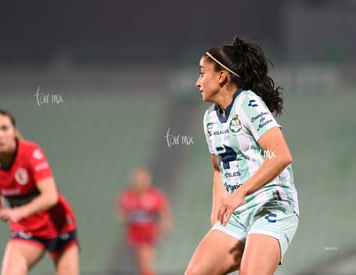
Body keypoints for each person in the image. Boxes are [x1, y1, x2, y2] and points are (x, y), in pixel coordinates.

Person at [185, 36, 300, 275]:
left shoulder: (249, 104)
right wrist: (217, 206)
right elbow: (218, 168)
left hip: (272, 207)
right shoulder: (210, 118)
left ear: (222, 76)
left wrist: (240, 193)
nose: (197, 82)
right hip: (238, 214)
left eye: (202, 73)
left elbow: (280, 156)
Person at [0, 109, 79, 275]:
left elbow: (51, 196)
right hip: (27, 228)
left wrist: (18, 212)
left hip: (57, 224)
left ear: (14, 131)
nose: (0, 135)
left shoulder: (31, 153)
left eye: (5, 128)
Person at [117, 167, 172, 275]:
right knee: (141, 264)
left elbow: (164, 211)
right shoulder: (128, 196)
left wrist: (165, 226)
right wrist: (127, 218)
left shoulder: (154, 195)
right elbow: (121, 213)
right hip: (134, 236)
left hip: (149, 235)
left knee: (145, 260)